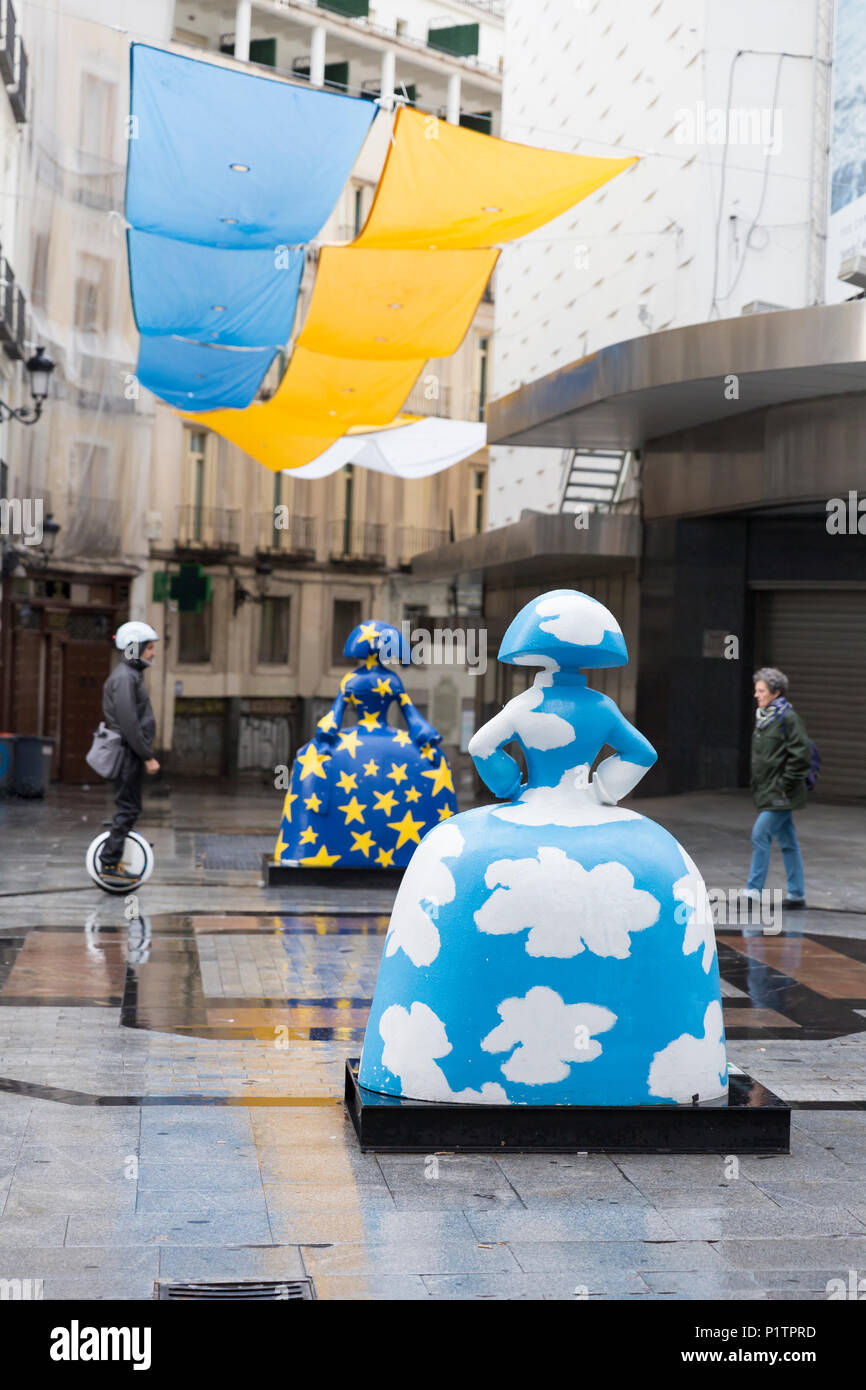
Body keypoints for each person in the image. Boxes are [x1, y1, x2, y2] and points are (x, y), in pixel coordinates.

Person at [98, 621, 160, 885]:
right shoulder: (125, 677)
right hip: (127, 753)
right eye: (149, 648)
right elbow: (129, 722)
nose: (153, 653)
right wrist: (147, 755)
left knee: (131, 807)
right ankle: (109, 862)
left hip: (130, 753)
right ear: (134, 648)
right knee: (128, 808)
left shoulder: (131, 675)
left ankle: (118, 853)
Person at [746, 666, 811, 909]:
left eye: (761, 690)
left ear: (776, 692)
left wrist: (785, 785)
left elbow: (801, 755)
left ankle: (753, 891)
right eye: (756, 690)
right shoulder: (764, 717)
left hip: (781, 793)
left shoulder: (787, 718)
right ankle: (796, 894)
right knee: (788, 842)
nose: (756, 694)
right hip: (768, 790)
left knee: (760, 834)